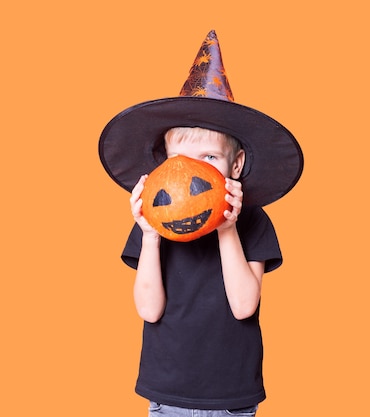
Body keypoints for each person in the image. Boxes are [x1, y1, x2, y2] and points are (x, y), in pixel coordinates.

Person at [98, 31, 304, 416]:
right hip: (167, 393)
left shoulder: (253, 221)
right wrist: (149, 237)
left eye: (209, 158)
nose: (195, 173)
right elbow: (149, 309)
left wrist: (228, 229)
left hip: (232, 397)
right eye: (182, 160)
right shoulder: (153, 224)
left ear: (236, 166)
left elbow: (244, 306)